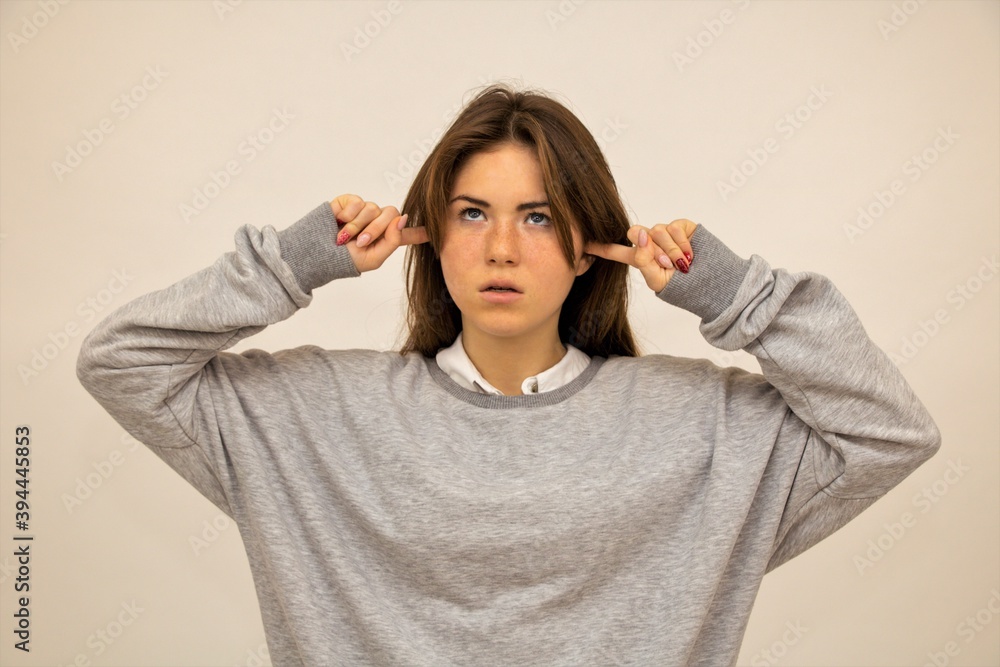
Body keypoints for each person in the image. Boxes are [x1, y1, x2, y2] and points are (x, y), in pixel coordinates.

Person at [77, 83, 941, 666]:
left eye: (538, 216)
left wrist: (733, 291)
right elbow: (121, 360)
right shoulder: (312, 415)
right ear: (427, 235)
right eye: (470, 213)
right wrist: (295, 262)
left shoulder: (705, 431)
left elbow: (891, 430)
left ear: (588, 245)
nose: (499, 248)